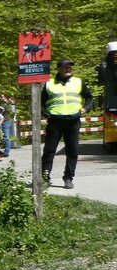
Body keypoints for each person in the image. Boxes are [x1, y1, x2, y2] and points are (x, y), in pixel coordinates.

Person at [40, 59, 93, 189]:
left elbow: (89, 97)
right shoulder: (49, 83)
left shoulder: (78, 82)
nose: (68, 69)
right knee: (49, 151)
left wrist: (85, 108)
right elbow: (40, 102)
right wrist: (46, 114)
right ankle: (45, 178)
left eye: (70, 66)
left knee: (72, 151)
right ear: (58, 69)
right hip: (55, 122)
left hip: (73, 121)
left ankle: (68, 178)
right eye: (65, 67)